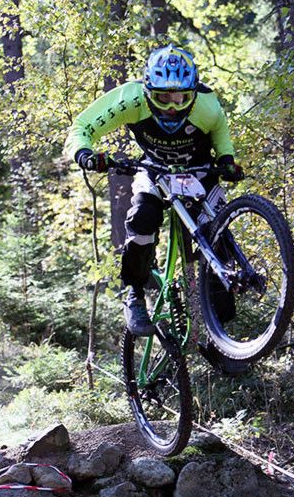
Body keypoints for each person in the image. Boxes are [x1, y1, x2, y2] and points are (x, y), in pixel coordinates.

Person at [64, 44, 243, 336]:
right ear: (148, 91)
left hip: (199, 172)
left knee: (216, 230)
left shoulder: (206, 106)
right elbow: (82, 126)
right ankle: (135, 293)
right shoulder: (131, 99)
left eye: (180, 98)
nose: (172, 106)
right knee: (143, 217)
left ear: (193, 92)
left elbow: (220, 130)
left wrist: (226, 159)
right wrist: (85, 154)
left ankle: (219, 329)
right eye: (163, 97)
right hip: (154, 170)